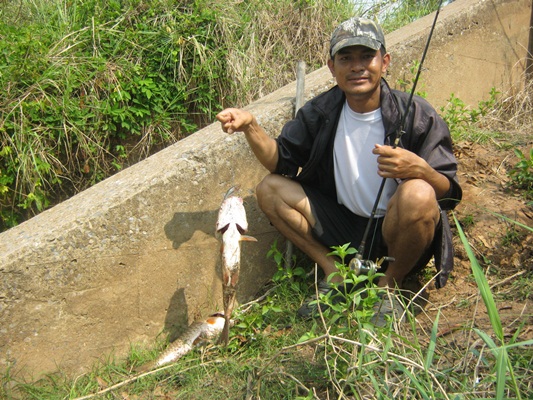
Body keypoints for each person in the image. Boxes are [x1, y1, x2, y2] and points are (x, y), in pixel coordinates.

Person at [216, 17, 462, 323]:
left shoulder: (415, 113)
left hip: (398, 230)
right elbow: (281, 160)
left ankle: (388, 287)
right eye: (346, 58)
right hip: (343, 226)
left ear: (384, 62)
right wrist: (251, 126)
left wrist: (420, 169)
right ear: (332, 67)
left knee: (420, 193)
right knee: (269, 189)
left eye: (366, 57)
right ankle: (336, 272)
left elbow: (449, 193)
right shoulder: (320, 112)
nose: (357, 67)